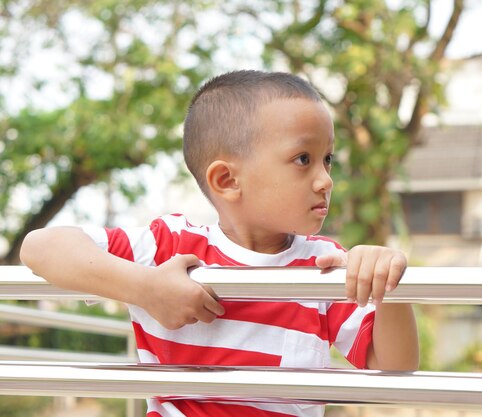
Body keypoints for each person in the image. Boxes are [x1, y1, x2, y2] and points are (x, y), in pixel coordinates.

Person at [20, 70, 419, 417]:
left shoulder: (324, 264)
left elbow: (394, 367)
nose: (325, 179)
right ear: (227, 180)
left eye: (327, 159)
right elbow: (40, 246)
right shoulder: (169, 247)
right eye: (303, 159)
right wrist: (146, 288)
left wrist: (386, 283)